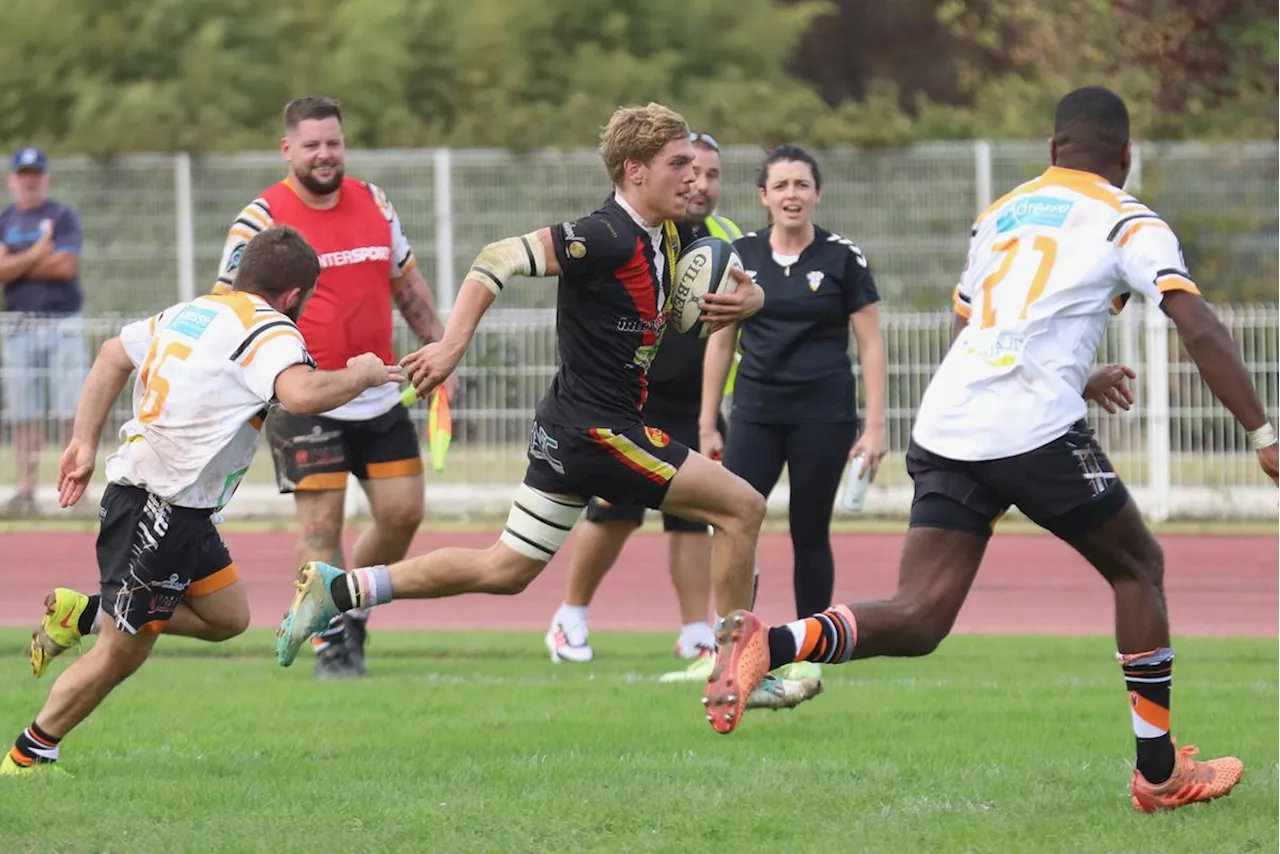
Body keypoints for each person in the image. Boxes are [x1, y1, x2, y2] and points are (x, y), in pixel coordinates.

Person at [702, 86, 1280, 812]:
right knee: (1139, 566)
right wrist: (1263, 432)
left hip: (950, 419)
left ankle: (770, 644)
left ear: (1051, 151)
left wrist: (1073, 375)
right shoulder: (1128, 218)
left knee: (919, 617)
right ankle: (1160, 773)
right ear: (1125, 157)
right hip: (1029, 426)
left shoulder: (1000, 212)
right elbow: (1196, 323)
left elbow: (978, 327)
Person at [275, 103, 817, 716]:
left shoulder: (673, 235)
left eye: (695, 165)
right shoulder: (606, 234)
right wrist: (451, 345)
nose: (693, 178)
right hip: (599, 432)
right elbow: (497, 257)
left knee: (505, 567)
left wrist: (753, 300)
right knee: (743, 507)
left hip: (568, 428)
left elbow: (748, 283)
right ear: (635, 171)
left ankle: (338, 588)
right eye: (679, 165)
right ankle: (738, 669)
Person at [4, 226, 403, 774]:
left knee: (227, 617)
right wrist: (359, 373)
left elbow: (111, 354)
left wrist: (83, 440)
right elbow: (303, 394)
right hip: (159, 507)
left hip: (172, 505)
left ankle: (88, 612)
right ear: (294, 296)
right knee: (122, 653)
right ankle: (29, 753)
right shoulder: (272, 329)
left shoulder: (192, 312)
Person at [212, 96, 452, 679]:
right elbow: (229, 307)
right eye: (312, 144)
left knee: (403, 514)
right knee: (321, 528)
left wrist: (444, 354)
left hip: (382, 391)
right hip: (306, 396)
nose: (325, 154)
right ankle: (331, 647)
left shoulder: (375, 202)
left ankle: (350, 603)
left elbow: (409, 286)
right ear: (288, 149)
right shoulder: (261, 217)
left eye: (334, 143)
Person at [544, 131, 742, 666]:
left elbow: (729, 322)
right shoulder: (637, 231)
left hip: (690, 402)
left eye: (711, 174)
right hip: (630, 400)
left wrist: (708, 416)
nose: (698, 183)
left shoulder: (726, 237)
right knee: (612, 514)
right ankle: (570, 616)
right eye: (688, 169)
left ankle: (697, 629)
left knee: (694, 519)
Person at [698, 144, 887, 685]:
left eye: (801, 185)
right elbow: (719, 342)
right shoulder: (740, 255)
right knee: (733, 523)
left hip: (823, 416)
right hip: (756, 411)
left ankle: (808, 657)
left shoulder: (842, 257)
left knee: (809, 530)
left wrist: (875, 427)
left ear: (817, 194)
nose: (791, 195)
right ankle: (732, 650)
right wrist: (708, 420)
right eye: (780, 186)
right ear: (763, 196)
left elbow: (870, 344)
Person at [0, 147, 86, 517]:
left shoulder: (62, 216)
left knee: (72, 409)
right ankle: (27, 489)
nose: (30, 181)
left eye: (36, 174)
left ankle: (70, 490)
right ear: (12, 180)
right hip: (18, 325)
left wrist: (16, 261)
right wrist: (38, 251)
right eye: (24, 174)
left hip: (62, 322)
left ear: (46, 179)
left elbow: (65, 266)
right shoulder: (5, 218)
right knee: (24, 412)